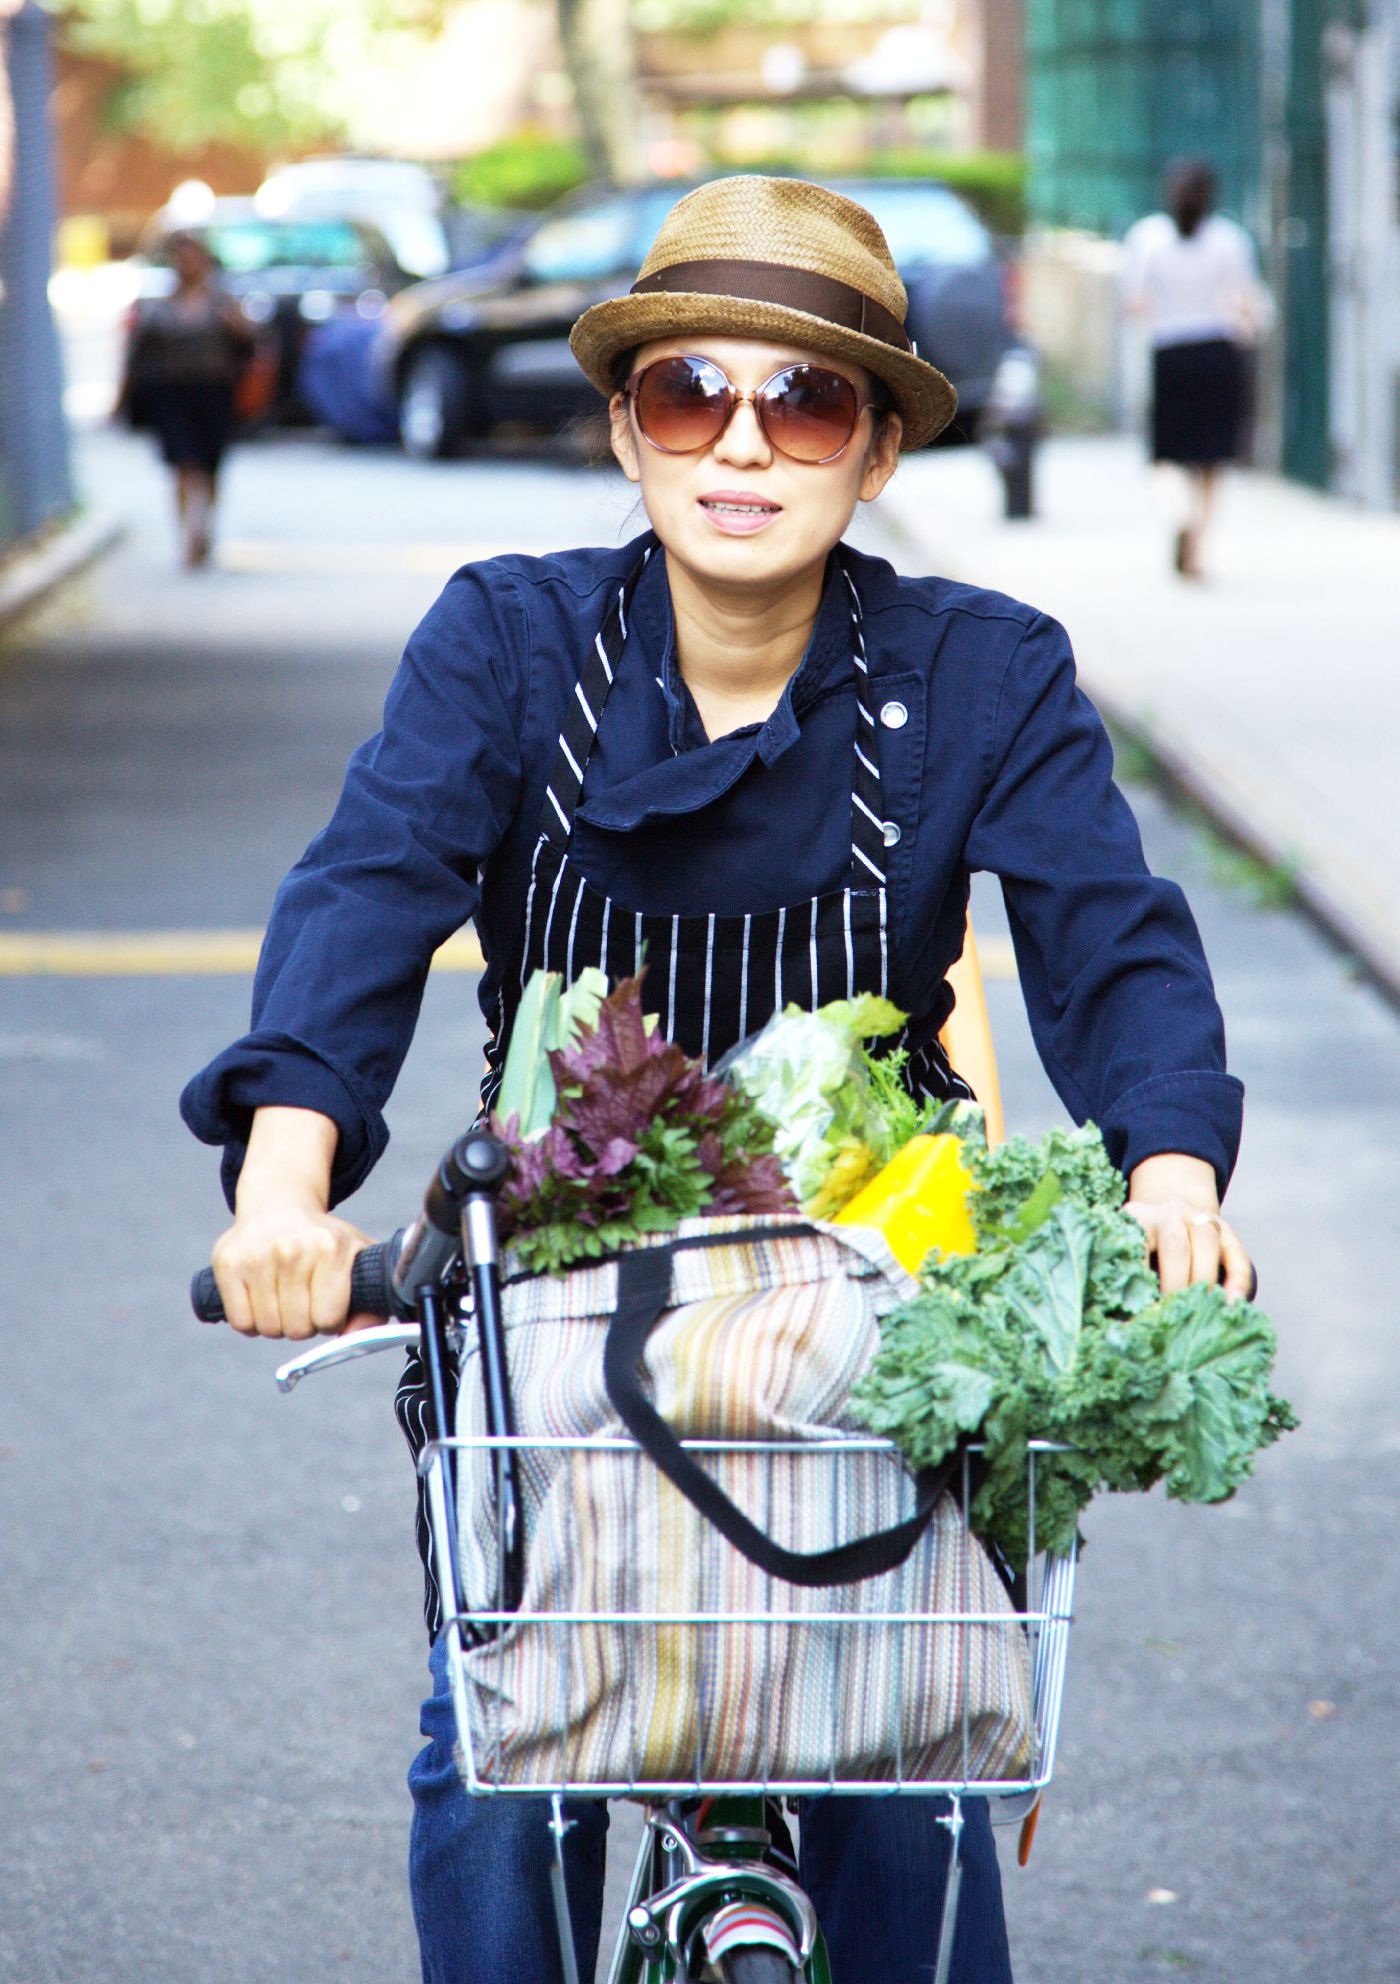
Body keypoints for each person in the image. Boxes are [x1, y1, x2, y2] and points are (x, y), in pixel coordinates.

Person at [182, 176, 1253, 1983]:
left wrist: (1172, 1170)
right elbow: (365, 894)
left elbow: (1114, 940)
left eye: (808, 400)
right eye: (689, 392)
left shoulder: (981, 673)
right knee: (493, 1757)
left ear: (880, 449)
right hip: (554, 1323)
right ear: (625, 424)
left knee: (913, 1776)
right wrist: (283, 1187)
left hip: (866, 1329)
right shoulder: (510, 644)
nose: (742, 442)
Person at [1121, 160, 1273, 579]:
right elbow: (1247, 302)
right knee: (1212, 461)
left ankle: (1180, 515)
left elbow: (1135, 304)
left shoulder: (1148, 238)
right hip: (1218, 353)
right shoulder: (1230, 240)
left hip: (1170, 354)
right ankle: (1198, 553)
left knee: (1166, 455)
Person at [118, 231, 253, 568]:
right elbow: (136, 355)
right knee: (181, 464)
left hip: (213, 393)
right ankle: (186, 536)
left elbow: (251, 343)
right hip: (172, 394)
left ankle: (204, 526)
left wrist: (234, 324)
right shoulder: (158, 306)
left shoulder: (223, 303)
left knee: (209, 468)